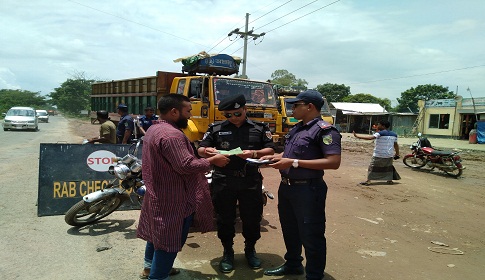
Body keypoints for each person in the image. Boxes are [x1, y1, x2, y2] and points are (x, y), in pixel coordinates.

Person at [137, 94, 229, 280]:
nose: (189, 116)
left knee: (157, 235)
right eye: (188, 111)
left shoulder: (154, 129)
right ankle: (158, 276)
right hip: (174, 199)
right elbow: (186, 166)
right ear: (174, 111)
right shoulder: (172, 135)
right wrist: (212, 160)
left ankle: (149, 267)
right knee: (169, 242)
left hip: (159, 194)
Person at [261, 89, 342, 280]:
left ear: (310, 107)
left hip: (308, 189)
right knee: (290, 229)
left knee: (311, 233)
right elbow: (291, 154)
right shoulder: (298, 128)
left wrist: (293, 163)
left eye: (296, 105)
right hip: (288, 187)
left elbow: (333, 162)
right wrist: (275, 157)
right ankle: (293, 264)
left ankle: (314, 275)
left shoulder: (325, 130)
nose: (292, 109)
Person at [197, 94, 276, 273]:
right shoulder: (216, 128)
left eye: (237, 114)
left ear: (245, 110)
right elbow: (201, 149)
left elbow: (271, 149)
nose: (233, 118)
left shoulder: (260, 128)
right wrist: (207, 151)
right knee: (225, 218)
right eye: (228, 115)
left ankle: (250, 250)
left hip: (250, 179)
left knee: (252, 217)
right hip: (224, 179)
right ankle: (228, 252)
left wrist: (253, 154)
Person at [353, 120, 401, 186]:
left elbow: (370, 138)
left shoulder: (380, 133)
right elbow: (396, 145)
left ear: (383, 126)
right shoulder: (394, 134)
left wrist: (357, 136)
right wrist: (397, 153)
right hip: (389, 154)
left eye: (379, 124)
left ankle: (368, 181)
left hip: (379, 154)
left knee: (372, 167)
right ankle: (389, 180)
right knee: (388, 167)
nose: (377, 126)